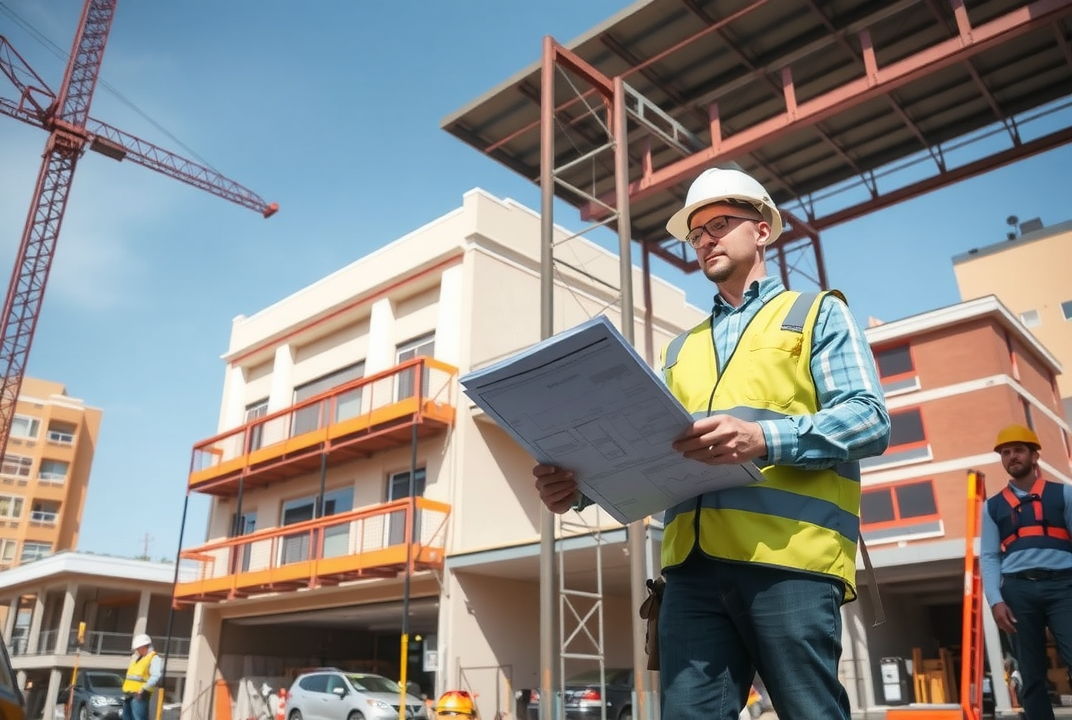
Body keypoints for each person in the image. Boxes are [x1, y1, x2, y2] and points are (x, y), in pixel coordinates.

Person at [533, 167, 890, 720]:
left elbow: (869, 421)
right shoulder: (680, 350)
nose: (704, 241)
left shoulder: (816, 314)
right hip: (691, 573)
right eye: (695, 234)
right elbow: (650, 453)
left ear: (763, 229)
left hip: (789, 563)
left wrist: (763, 437)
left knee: (811, 712)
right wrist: (579, 488)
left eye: (719, 224)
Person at [981, 424, 1072, 720]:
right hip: (1018, 593)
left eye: (1018, 450)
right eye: (1005, 452)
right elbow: (991, 556)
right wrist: (995, 600)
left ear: (1034, 456)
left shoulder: (1064, 494)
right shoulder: (992, 507)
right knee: (1030, 675)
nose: (1012, 456)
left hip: (1065, 588)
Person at [122, 634, 162, 720]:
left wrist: (143, 689)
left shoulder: (154, 658)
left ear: (144, 647)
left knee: (139, 718)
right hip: (129, 693)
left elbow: (155, 676)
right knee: (127, 717)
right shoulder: (137, 658)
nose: (136, 651)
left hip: (139, 694)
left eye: (137, 649)